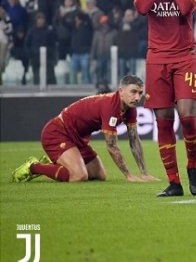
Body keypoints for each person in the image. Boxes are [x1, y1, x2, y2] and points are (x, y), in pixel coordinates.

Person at [133, 0, 196, 197]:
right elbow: (142, 7)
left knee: (187, 116)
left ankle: (193, 167)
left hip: (185, 56)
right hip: (156, 59)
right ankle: (174, 182)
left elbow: (185, 8)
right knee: (163, 123)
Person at [10, 75, 159, 183]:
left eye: (140, 93)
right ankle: (34, 167)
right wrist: (128, 175)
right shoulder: (109, 106)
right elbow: (112, 146)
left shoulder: (130, 108)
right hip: (58, 133)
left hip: (78, 139)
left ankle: (60, 161)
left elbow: (134, 140)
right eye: (133, 92)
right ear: (121, 91)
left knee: (99, 175)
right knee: (79, 176)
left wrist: (144, 173)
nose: (137, 97)